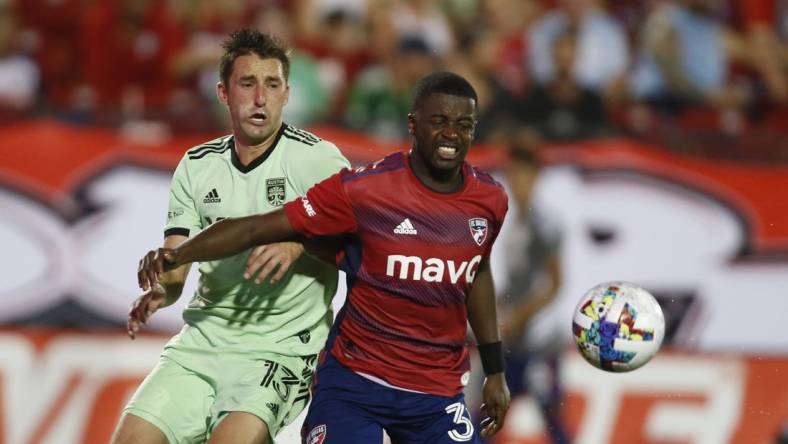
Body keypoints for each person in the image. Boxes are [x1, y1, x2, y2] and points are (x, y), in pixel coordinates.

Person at [137, 71, 511, 443]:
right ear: (412, 124)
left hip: (435, 393)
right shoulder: (366, 190)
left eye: (464, 124)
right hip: (354, 384)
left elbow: (478, 272)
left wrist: (495, 371)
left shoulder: (489, 199)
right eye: (439, 121)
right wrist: (179, 255)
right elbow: (259, 227)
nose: (451, 134)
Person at [112, 29, 350, 444]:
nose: (260, 98)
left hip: (280, 349)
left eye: (272, 85)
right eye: (247, 83)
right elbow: (176, 265)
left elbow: (365, 234)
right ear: (223, 93)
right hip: (203, 342)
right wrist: (161, 290)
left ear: (287, 94)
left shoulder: (318, 159)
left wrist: (300, 240)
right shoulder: (196, 166)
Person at [493, 144, 569, 443]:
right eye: (512, 174)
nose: (516, 181)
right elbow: (519, 281)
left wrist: (519, 317)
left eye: (523, 174)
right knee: (490, 410)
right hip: (514, 338)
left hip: (539, 339)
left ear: (536, 177)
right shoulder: (517, 222)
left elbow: (554, 283)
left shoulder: (543, 224)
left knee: (550, 415)